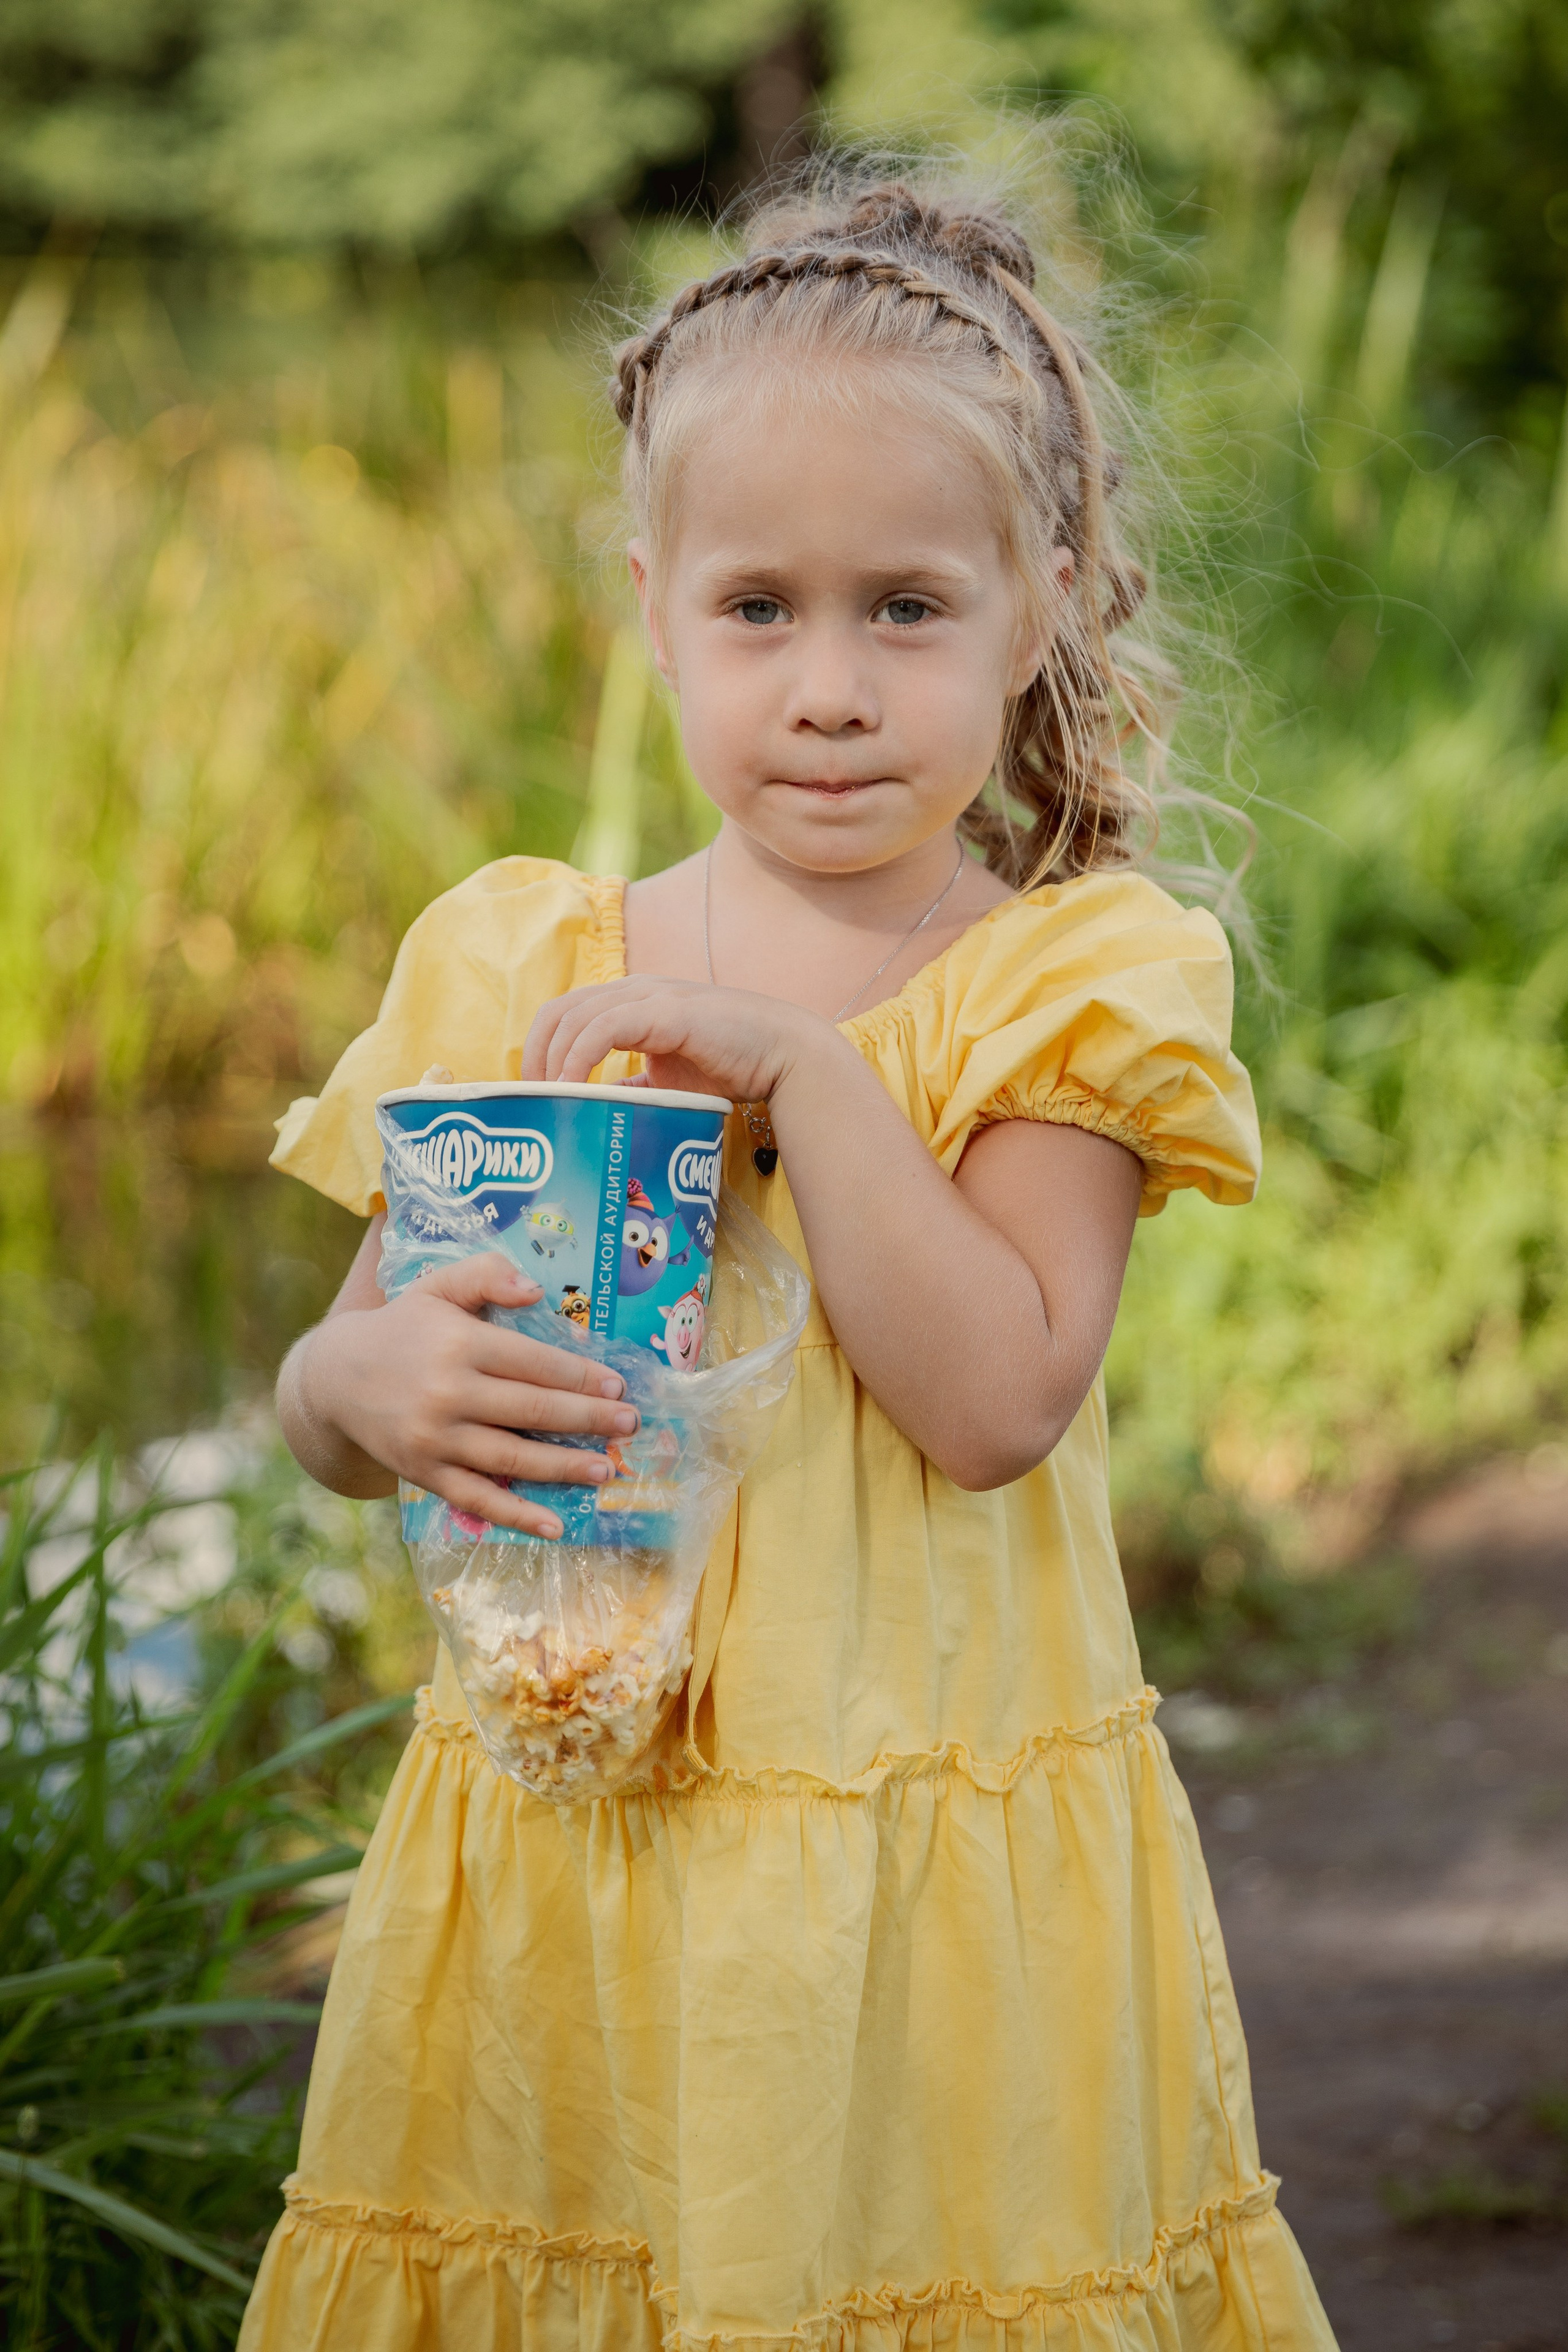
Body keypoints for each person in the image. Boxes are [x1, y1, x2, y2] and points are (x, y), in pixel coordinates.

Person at [240, 175, 1336, 2350]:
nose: (829, 690)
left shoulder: (1066, 984)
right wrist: (347, 1394)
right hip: (578, 1850)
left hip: (921, 1892)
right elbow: (350, 1385)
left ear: (1039, 610)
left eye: (907, 608)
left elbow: (996, 1401)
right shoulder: (524, 964)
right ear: (655, 612)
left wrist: (810, 1082)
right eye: (759, 608)